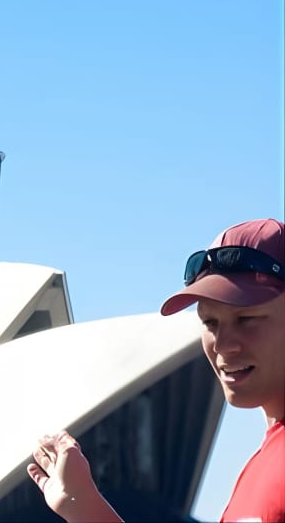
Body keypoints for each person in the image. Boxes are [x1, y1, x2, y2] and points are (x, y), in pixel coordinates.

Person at [27, 218, 285, 523]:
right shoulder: (265, 462)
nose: (222, 344)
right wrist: (82, 506)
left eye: (246, 319)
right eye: (210, 322)